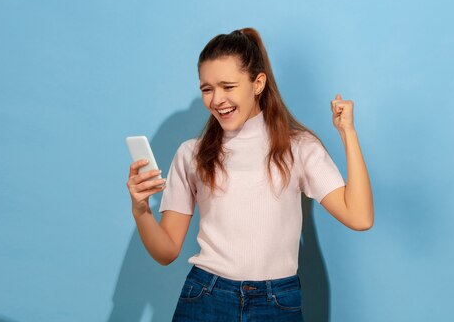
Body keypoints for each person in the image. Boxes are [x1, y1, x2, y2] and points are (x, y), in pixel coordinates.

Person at [126, 27, 374, 321]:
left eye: (228, 86)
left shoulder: (299, 148)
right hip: (205, 297)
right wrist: (140, 209)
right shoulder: (191, 154)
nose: (217, 99)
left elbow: (359, 217)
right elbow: (166, 251)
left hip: (277, 302)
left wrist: (348, 133)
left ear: (258, 83)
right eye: (207, 88)